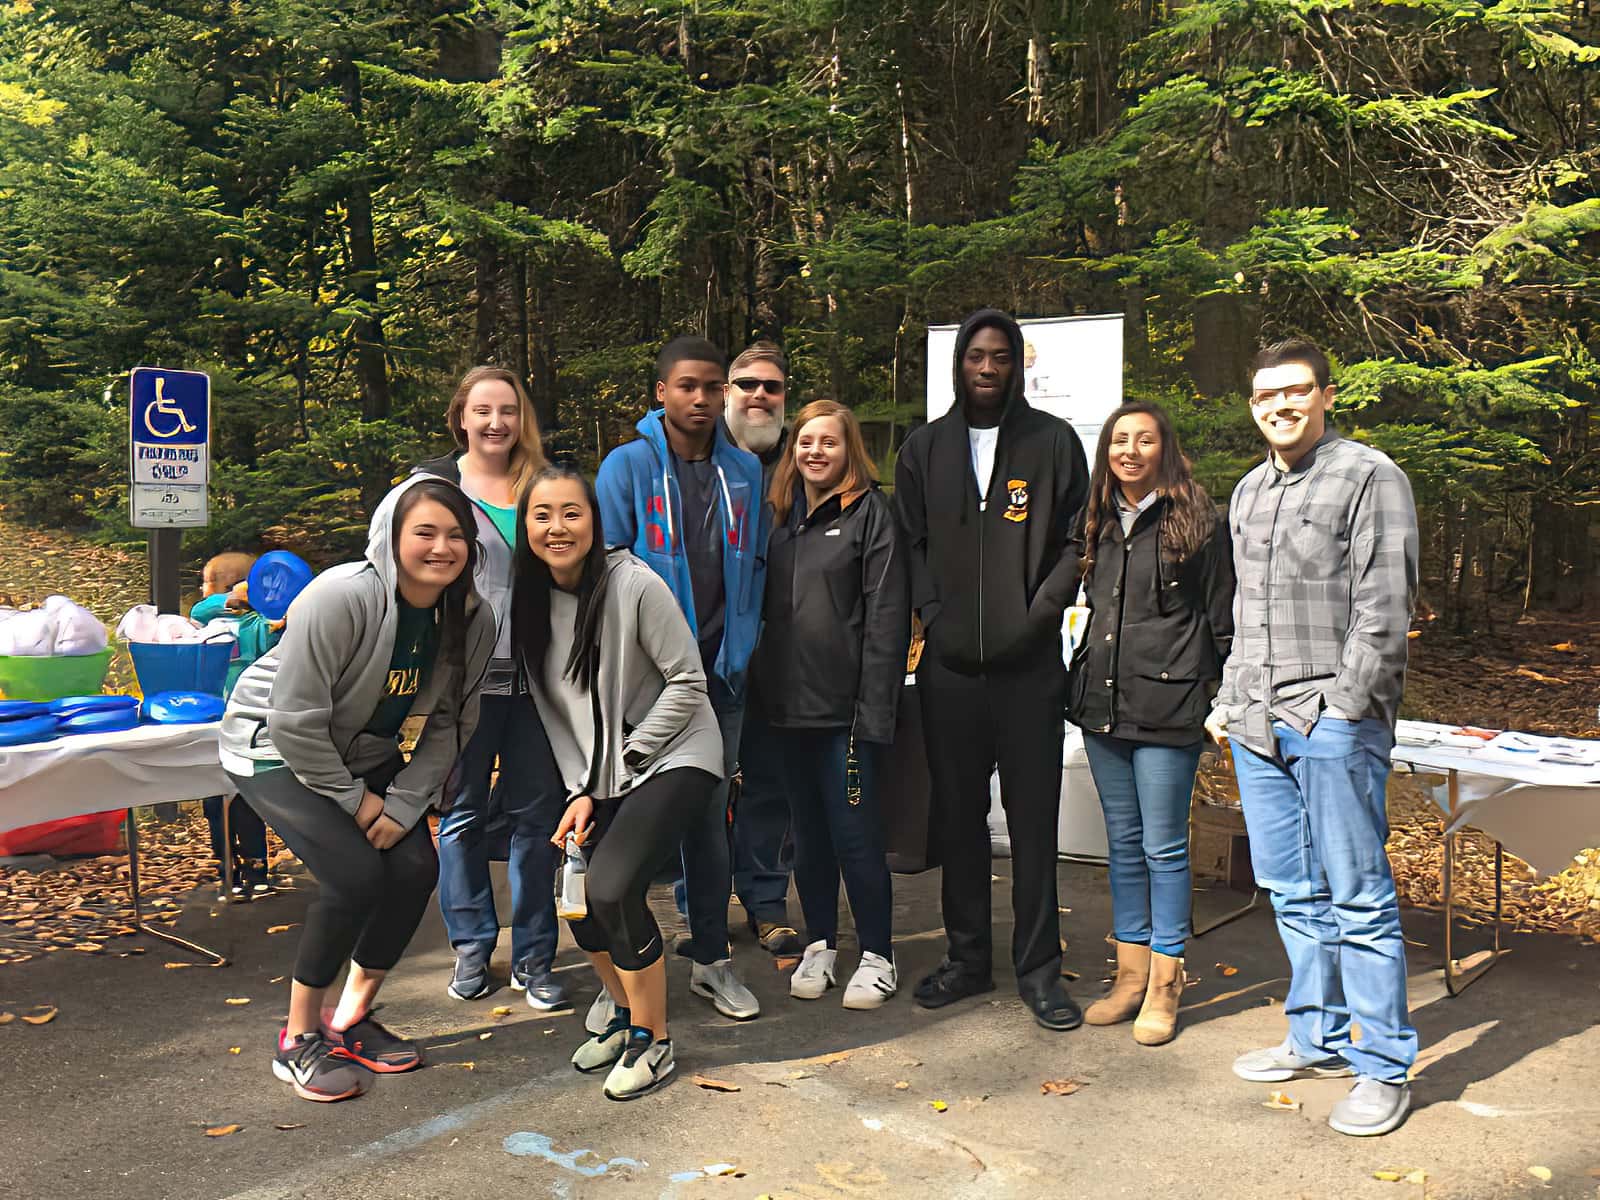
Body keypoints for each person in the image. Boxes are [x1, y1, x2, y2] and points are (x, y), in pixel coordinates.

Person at [219, 477, 495, 1102]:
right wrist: (359, 802)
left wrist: (404, 802)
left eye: (457, 536)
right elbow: (293, 722)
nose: (441, 547)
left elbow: (455, 721)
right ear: (391, 537)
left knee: (415, 867)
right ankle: (297, 1039)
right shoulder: (341, 595)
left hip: (360, 755)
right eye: (424, 532)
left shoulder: (473, 616)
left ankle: (349, 1021)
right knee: (353, 876)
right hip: (272, 747)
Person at [1206, 338, 1420, 1137]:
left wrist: (1344, 713)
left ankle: (1384, 1065)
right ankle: (1317, 1038)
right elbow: (1241, 614)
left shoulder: (1370, 476)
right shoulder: (1249, 490)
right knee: (1293, 893)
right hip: (1258, 725)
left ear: (1327, 395)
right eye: (1266, 396)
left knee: (1359, 897)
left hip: (1333, 726)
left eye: (1295, 392)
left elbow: (1384, 607)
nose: (1280, 407)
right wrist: (1230, 700)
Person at [894, 307, 1089, 1030]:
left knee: (1034, 825)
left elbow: (1079, 538)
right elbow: (909, 543)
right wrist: (935, 616)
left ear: (1017, 364)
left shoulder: (1053, 443)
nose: (986, 368)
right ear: (959, 364)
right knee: (961, 821)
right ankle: (968, 959)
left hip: (1030, 668)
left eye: (999, 357)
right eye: (975, 355)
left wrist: (1041, 613)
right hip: (950, 671)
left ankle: (1040, 970)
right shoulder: (925, 449)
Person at [513, 465, 722, 1100]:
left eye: (572, 513)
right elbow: (561, 714)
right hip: (602, 774)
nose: (558, 527)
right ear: (525, 528)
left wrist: (629, 756)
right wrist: (583, 789)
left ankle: (652, 1041)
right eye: (543, 515)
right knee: (576, 897)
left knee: (613, 887)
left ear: (594, 521)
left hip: (675, 753)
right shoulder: (531, 602)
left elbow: (689, 682)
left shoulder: (633, 583)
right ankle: (625, 1013)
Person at [594, 335, 766, 1022]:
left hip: (720, 681)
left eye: (713, 387)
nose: (701, 399)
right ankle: (623, 973)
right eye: (687, 386)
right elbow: (604, 573)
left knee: (709, 824)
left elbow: (752, 570)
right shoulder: (626, 467)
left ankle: (710, 959)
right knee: (623, 822)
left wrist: (741, 649)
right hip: (644, 688)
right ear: (660, 392)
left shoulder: (745, 473)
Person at [1066, 402, 1234, 1046]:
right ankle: (1129, 975)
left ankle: (1166, 981)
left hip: (1170, 708)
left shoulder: (1198, 520)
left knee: (1164, 847)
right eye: (1119, 440)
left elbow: (1221, 618)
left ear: (1166, 448)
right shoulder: (1098, 521)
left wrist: (1219, 698)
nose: (1129, 450)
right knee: (1124, 845)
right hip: (1101, 707)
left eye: (1144, 439)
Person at [406, 365, 568, 1012]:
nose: (496, 422)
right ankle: (471, 947)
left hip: (538, 680)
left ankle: (534, 957)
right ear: (461, 418)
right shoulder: (434, 488)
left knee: (537, 822)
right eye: (483, 410)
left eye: (508, 409)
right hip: (463, 678)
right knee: (463, 816)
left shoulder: (545, 484)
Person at [753, 400, 908, 1008]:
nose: (816, 452)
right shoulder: (780, 519)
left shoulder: (872, 515)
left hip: (845, 716)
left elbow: (887, 621)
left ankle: (878, 953)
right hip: (785, 714)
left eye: (830, 442)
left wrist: (873, 714)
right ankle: (820, 942)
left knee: (855, 836)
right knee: (807, 839)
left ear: (851, 452)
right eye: (806, 441)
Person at [722, 340, 800, 956]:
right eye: (746, 383)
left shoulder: (802, 466)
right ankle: (702, 904)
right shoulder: (697, 464)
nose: (758, 395)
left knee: (771, 783)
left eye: (770, 386)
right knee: (701, 784)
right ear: (727, 392)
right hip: (705, 655)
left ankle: (767, 902)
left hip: (781, 659)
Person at [192, 551, 277, 901]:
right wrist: (232, 598)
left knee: (240, 801)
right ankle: (229, 867)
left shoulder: (255, 623)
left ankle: (253, 868)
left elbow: (268, 641)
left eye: (206, 585)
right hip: (216, 723)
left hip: (244, 725)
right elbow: (200, 612)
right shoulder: (209, 619)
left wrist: (253, 603)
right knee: (221, 803)